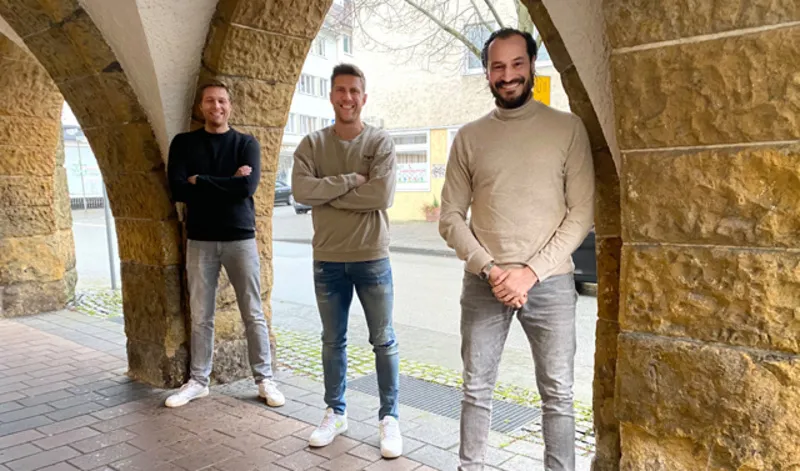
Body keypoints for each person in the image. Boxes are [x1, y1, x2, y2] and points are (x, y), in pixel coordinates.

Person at [439, 28, 595, 471]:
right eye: (497, 66)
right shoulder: (469, 137)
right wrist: (490, 269)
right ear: (487, 72)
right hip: (483, 283)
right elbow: (450, 216)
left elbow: (582, 213)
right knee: (475, 389)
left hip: (551, 283)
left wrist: (530, 273)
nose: (507, 75)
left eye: (516, 64)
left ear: (532, 64)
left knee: (558, 395)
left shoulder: (567, 129)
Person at [291, 63, 402, 458]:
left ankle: (389, 418)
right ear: (331, 96)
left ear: (364, 97)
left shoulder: (380, 142)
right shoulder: (312, 144)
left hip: (372, 256)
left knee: (383, 340)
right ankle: (335, 413)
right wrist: (352, 180)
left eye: (354, 91)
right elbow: (301, 191)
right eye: (341, 90)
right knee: (332, 341)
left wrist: (326, 194)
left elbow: (382, 195)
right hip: (328, 259)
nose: (347, 97)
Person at [164, 80, 285, 409]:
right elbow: (178, 189)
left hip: (240, 238)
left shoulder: (246, 143)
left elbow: (246, 188)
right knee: (201, 315)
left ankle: (265, 379)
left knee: (253, 312)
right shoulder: (184, 143)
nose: (216, 106)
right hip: (200, 239)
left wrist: (201, 180)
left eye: (221, 101)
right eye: (209, 101)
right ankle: (198, 381)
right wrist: (228, 181)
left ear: (230, 106)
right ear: (200, 107)